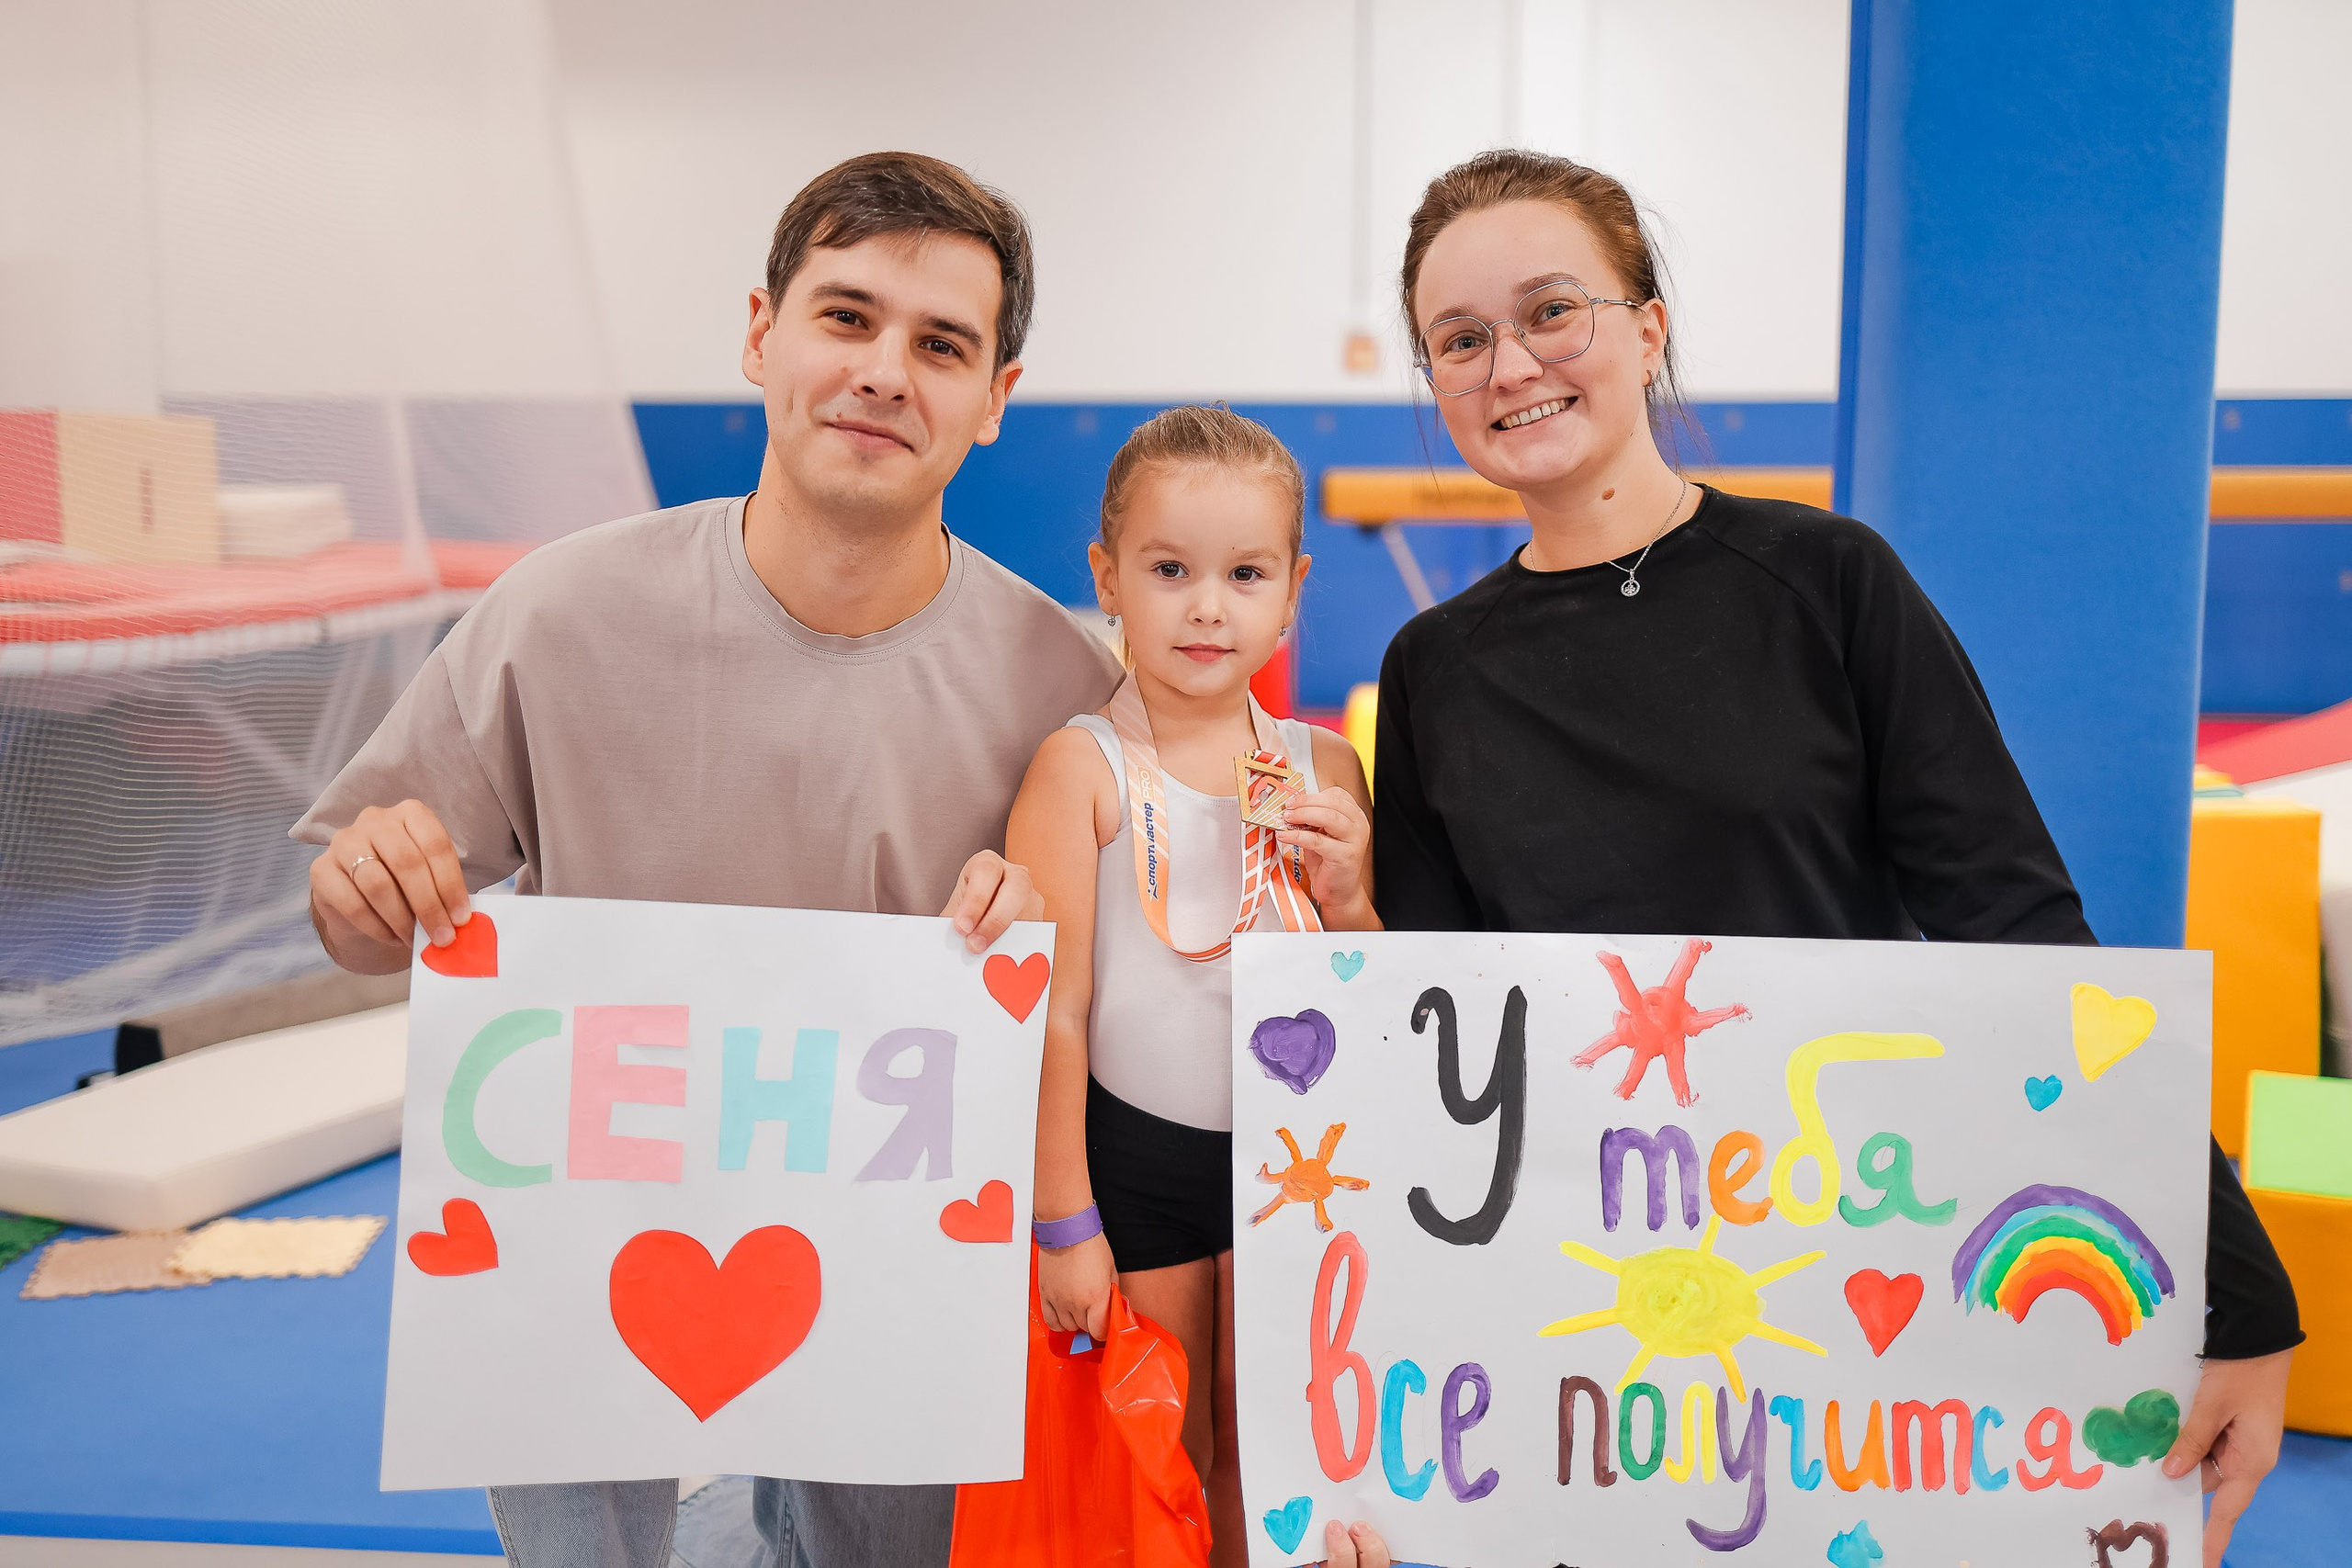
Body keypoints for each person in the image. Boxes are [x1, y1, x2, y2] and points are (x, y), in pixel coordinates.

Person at [1371, 149, 2301, 1568]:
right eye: (1462, 338)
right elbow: (1443, 1051)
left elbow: (2022, 930)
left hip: (1851, 1261)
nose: (1513, 364)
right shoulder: (1433, 668)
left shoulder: (1825, 581)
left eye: (1553, 309)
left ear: (1646, 326)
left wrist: (2239, 1289)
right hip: (1588, 1308)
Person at [294, 152, 1122, 1568]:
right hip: (586, 1205)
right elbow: (354, 912)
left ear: (996, 400)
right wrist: (365, 882)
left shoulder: (1062, 683)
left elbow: (1143, 990)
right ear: (761, 333)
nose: (884, 370)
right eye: (846, 317)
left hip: (900, 1249)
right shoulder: (561, 614)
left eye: (942, 344)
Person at [1007, 406, 1383, 1568]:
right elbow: (1053, 1013)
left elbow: (1368, 984)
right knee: (1160, 1445)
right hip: (1137, 1160)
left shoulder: (1323, 765)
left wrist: (1358, 895)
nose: (1208, 605)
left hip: (1294, 1160)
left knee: (1266, 1446)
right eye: (1169, 570)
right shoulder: (1081, 765)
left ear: (1293, 585)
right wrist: (1063, 1219)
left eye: (1244, 573)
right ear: (1106, 577)